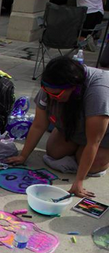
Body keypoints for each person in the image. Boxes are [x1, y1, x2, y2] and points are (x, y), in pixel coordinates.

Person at [7, 56, 109, 198]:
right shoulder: (50, 87)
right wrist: (23, 155)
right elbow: (38, 125)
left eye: (56, 94)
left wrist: (78, 181)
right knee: (54, 151)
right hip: (75, 126)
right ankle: (79, 151)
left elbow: (94, 142)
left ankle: (87, 156)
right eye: (47, 92)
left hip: (102, 134)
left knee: (94, 165)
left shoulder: (99, 91)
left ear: (74, 87)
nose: (51, 97)